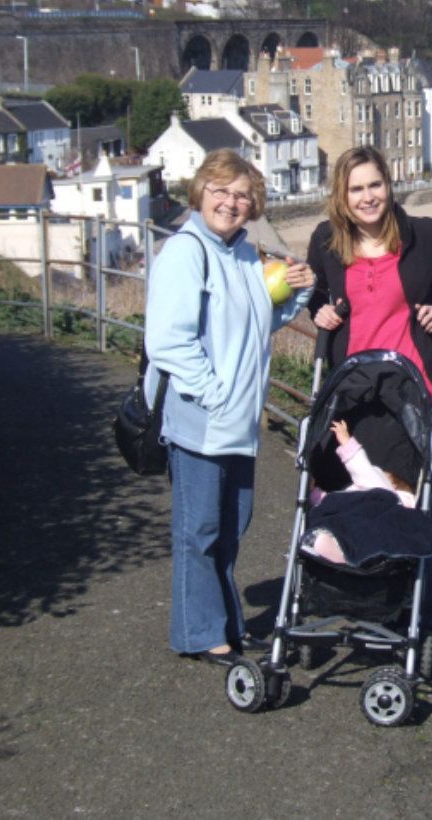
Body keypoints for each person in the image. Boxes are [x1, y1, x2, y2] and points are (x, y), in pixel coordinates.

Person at [307, 145, 432, 663]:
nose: (367, 197)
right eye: (356, 188)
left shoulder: (423, 236)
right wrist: (319, 310)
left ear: (389, 185)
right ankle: (364, 608)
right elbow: (316, 295)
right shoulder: (327, 242)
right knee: (351, 500)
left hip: (414, 396)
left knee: (420, 508)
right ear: (342, 197)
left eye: (375, 185)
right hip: (352, 396)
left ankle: (430, 625)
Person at [145, 148, 314, 667]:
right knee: (200, 532)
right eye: (221, 191)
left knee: (231, 527)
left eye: (242, 194)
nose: (231, 202)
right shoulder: (185, 251)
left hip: (239, 424)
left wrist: (295, 299)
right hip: (201, 420)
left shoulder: (243, 253)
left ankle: (225, 626)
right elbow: (168, 343)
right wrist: (216, 394)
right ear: (200, 193)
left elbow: (251, 327)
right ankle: (200, 634)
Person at [304, 419, 416, 563]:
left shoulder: (385, 493)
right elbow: (336, 502)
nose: (379, 472)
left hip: (360, 527)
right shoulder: (400, 511)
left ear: (394, 484)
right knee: (334, 510)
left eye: (383, 473)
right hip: (370, 537)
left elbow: (364, 469)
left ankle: (339, 550)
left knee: (338, 518)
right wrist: (315, 493)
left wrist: (346, 442)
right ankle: (333, 546)